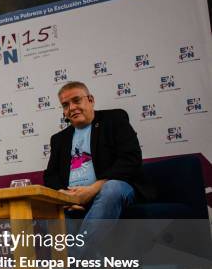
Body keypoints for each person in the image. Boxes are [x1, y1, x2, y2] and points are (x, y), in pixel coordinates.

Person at [44, 81, 154, 258]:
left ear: (90, 100)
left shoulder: (114, 120)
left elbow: (130, 159)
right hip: (73, 199)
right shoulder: (59, 139)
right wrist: (64, 197)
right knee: (43, 208)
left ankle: (74, 260)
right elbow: (51, 175)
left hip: (114, 189)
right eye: (66, 105)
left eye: (77, 100)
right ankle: (94, 266)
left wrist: (94, 188)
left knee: (111, 188)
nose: (72, 108)